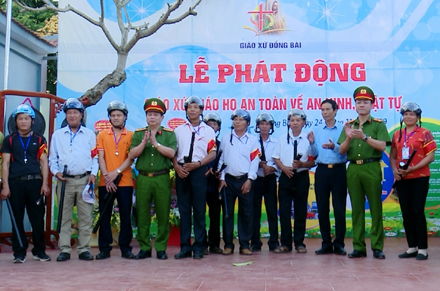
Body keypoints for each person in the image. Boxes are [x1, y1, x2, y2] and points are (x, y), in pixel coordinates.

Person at [338, 86, 391, 259]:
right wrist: (348, 137)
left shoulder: (378, 124)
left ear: (371, 104)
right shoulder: (349, 125)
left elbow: (383, 146)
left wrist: (365, 138)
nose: (362, 105)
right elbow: (342, 151)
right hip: (353, 168)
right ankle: (359, 247)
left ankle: (377, 246)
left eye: (365, 102)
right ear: (354, 104)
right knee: (356, 209)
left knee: (376, 207)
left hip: (371, 166)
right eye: (359, 102)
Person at [49, 98, 99, 262]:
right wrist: (56, 172)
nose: (72, 116)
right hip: (65, 181)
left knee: (85, 217)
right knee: (64, 217)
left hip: (85, 181)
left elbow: (95, 157)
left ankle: (84, 249)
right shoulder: (57, 135)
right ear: (65, 115)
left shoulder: (90, 134)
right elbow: (52, 159)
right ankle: (64, 249)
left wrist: (93, 173)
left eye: (75, 113)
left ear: (81, 115)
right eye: (69, 113)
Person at [1, 104, 51, 263]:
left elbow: (44, 163)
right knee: (17, 218)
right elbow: (5, 164)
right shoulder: (9, 140)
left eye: (26, 118)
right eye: (20, 119)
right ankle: (19, 253)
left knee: (37, 219)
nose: (23, 121)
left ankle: (39, 251)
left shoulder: (39, 139)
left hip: (35, 183)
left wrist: (45, 184)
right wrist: (5, 186)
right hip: (15, 183)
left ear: (32, 121)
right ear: (15, 121)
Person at [128, 98, 176, 260]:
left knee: (163, 213)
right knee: (142, 213)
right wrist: (144, 143)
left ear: (162, 117)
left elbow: (172, 153)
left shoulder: (169, 134)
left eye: (156, 114)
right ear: (146, 116)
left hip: (161, 177)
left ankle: (161, 248)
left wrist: (155, 143)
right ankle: (145, 247)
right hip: (143, 178)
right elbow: (132, 155)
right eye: (150, 114)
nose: (152, 117)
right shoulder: (139, 133)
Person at [390, 102, 436, 260]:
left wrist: (413, 168)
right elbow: (393, 155)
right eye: (406, 114)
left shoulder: (425, 132)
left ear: (417, 117)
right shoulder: (397, 134)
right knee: (406, 212)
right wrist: (394, 170)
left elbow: (431, 156)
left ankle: (423, 248)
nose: (408, 117)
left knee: (417, 211)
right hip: (403, 179)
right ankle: (412, 247)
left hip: (419, 178)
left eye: (412, 114)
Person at [173, 96, 216, 260]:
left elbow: (212, 153)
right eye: (189, 107)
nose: (192, 110)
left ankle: (199, 246)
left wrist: (198, 164)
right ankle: (185, 247)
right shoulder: (179, 130)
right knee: (184, 211)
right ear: (186, 110)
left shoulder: (208, 130)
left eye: (195, 107)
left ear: (201, 110)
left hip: (199, 171)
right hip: (182, 170)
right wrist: (177, 167)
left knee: (199, 210)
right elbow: (173, 152)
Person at [273, 109, 316, 254]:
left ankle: (299, 242)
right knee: (284, 211)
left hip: (302, 177)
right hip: (286, 176)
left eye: (298, 120)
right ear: (289, 123)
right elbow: (276, 158)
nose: (295, 123)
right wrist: (284, 168)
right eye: (292, 120)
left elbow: (312, 161)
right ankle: (285, 243)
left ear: (304, 122)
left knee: (300, 210)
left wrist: (302, 165)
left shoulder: (308, 140)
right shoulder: (282, 139)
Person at [95, 100, 135, 260]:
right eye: (113, 115)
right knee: (105, 215)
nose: (116, 118)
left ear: (125, 117)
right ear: (109, 117)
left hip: (124, 181)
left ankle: (126, 248)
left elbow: (130, 158)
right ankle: (104, 248)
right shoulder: (102, 135)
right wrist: (107, 177)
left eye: (119, 115)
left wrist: (116, 172)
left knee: (126, 215)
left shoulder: (131, 135)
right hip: (105, 182)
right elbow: (101, 157)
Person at [218, 109, 260, 256]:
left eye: (241, 119)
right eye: (235, 119)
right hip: (228, 180)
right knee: (227, 214)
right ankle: (228, 245)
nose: (237, 122)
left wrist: (250, 179)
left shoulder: (253, 140)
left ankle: (244, 245)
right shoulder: (225, 138)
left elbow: (255, 161)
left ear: (247, 123)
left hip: (245, 180)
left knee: (246, 213)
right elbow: (221, 160)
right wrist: (222, 178)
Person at [309, 99, 347, 255]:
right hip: (322, 170)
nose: (324, 112)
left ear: (335, 110)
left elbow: (346, 151)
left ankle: (339, 243)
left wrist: (334, 147)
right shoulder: (317, 129)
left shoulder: (344, 129)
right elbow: (314, 154)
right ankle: (326, 242)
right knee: (322, 208)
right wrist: (311, 143)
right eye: (322, 110)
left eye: (327, 109)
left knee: (339, 208)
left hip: (339, 170)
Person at [251, 113, 280, 252]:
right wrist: (257, 164)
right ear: (257, 126)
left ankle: (273, 242)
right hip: (256, 179)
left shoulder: (276, 142)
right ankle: (255, 242)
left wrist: (271, 167)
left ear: (271, 126)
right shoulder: (252, 141)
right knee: (255, 211)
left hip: (270, 179)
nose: (264, 127)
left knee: (272, 211)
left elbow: (279, 160)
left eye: (267, 124)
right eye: (261, 124)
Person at [203, 113, 223, 254]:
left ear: (218, 128)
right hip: (200, 183)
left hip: (215, 185)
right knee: (199, 214)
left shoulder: (221, 145)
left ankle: (215, 244)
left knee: (215, 215)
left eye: (214, 124)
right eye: (209, 124)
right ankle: (202, 243)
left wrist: (218, 172)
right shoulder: (198, 141)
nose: (211, 126)